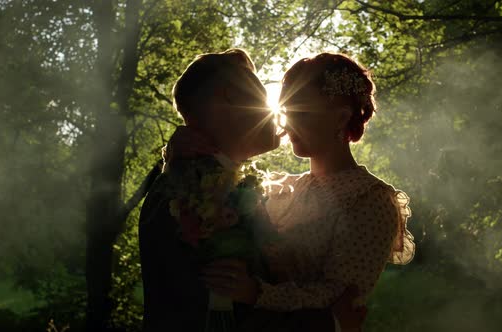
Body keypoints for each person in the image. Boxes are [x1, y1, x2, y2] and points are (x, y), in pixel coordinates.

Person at [172, 52, 415, 332]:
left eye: (302, 112)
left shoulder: (369, 199)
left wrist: (257, 293)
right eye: (286, 111)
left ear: (341, 117)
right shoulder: (276, 186)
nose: (287, 124)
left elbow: (342, 296)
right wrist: (179, 149)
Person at [138, 49, 363, 332]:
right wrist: (332, 323)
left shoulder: (208, 181)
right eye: (263, 95)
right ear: (232, 95)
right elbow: (223, 315)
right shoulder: (191, 198)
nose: (279, 116)